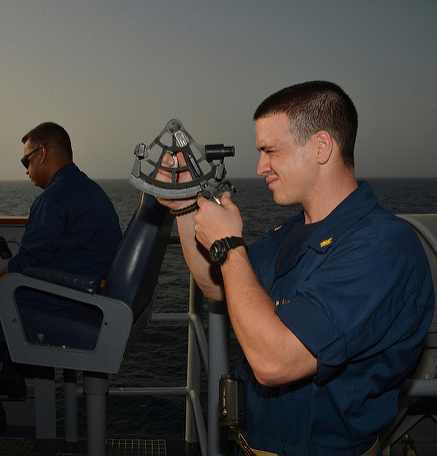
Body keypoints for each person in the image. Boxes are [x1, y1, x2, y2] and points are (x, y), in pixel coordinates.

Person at [157, 81, 434, 455]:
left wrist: (229, 245)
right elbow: (218, 285)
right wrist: (185, 206)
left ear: (321, 147)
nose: (259, 167)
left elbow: (274, 362)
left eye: (271, 150)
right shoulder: (291, 232)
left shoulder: (384, 247)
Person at [0, 122, 122, 436]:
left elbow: (26, 264)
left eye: (26, 161)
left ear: (42, 153)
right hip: (90, 294)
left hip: (68, 298)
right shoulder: (88, 189)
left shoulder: (54, 198)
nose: (25, 170)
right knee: (3, 297)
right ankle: (9, 376)